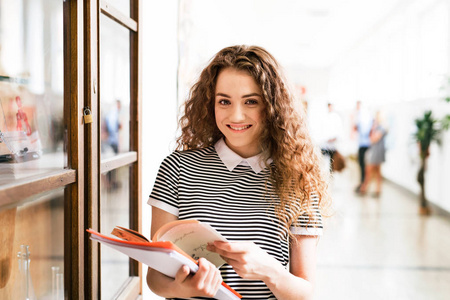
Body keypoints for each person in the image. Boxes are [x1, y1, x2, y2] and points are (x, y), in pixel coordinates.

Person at [146, 45, 330, 299]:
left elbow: (305, 292)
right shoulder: (177, 168)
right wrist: (184, 288)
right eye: (224, 101)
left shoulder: (299, 178)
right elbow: (155, 278)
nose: (236, 115)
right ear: (211, 104)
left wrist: (268, 270)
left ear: (272, 106)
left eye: (251, 101)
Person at [358, 111, 387, 197]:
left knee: (370, 170)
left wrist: (373, 131)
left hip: (377, 153)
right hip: (374, 151)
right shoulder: (376, 128)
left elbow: (373, 139)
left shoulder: (381, 128)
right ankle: (374, 189)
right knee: (375, 171)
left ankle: (365, 188)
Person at [353, 100, 373, 192]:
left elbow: (365, 131)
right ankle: (362, 183)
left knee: (364, 165)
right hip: (362, 143)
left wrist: (358, 127)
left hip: (365, 144)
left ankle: (364, 185)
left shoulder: (364, 116)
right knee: (361, 165)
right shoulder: (360, 115)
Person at [320, 103, 343, 172]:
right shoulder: (324, 117)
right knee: (324, 164)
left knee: (331, 165)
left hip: (332, 146)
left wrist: (333, 139)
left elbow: (339, 133)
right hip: (324, 145)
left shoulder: (336, 117)